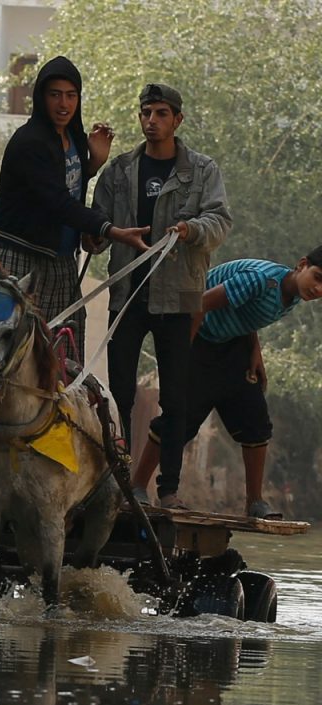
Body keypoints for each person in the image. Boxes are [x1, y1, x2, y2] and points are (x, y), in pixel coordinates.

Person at [89, 83, 232, 511]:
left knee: (175, 396)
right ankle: (115, 483)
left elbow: (220, 220)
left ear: (177, 120)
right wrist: (93, 232)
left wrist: (191, 230)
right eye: (146, 113)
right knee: (120, 394)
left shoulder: (202, 171)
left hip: (180, 295)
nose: (152, 121)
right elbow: (96, 225)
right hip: (127, 296)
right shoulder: (118, 171)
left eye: (161, 113)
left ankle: (168, 489)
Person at [130, 245, 322, 518]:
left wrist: (255, 352)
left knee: (256, 422)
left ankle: (254, 502)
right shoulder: (261, 279)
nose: (318, 289)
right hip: (199, 333)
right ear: (302, 264)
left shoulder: (291, 294)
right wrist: (182, 360)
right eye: (318, 277)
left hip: (233, 344)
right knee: (180, 417)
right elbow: (198, 304)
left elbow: (247, 311)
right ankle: (138, 486)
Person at [0, 56, 150, 356]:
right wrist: (113, 231)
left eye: (71, 95)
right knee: (8, 352)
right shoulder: (30, 142)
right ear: (41, 97)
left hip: (61, 261)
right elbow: (57, 201)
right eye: (55, 94)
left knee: (67, 347)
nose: (64, 104)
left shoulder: (73, 135)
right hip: (19, 258)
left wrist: (92, 165)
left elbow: (66, 186)